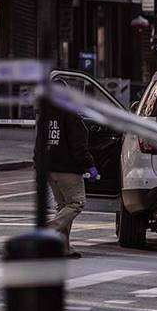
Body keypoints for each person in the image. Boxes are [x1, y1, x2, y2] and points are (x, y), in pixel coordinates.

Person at [36, 79, 97, 259]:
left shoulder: (45, 115)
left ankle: (63, 248)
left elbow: (39, 143)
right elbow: (78, 145)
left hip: (49, 168)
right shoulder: (71, 114)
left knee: (63, 206)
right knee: (76, 203)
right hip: (68, 169)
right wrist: (89, 164)